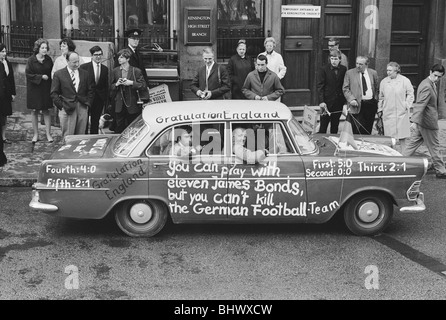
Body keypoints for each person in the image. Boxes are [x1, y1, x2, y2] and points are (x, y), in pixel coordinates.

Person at [403, 64, 446, 179]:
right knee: (434, 146)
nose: (436, 78)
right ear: (430, 71)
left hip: (423, 121)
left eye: (439, 77)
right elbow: (420, 104)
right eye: (435, 75)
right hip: (427, 122)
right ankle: (441, 171)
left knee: (412, 144)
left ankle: (399, 163)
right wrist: (414, 121)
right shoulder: (427, 85)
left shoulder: (429, 83)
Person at [51, 51, 95, 137]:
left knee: (80, 136)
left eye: (78, 61)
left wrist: (88, 104)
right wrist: (61, 106)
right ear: (67, 61)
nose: (77, 64)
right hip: (67, 108)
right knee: (68, 136)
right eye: (74, 62)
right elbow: (54, 93)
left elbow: (91, 90)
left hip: (82, 107)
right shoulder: (59, 74)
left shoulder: (85, 74)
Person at [377, 62, 414, 152]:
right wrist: (380, 109)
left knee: (402, 136)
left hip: (401, 112)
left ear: (396, 71)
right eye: (387, 70)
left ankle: (404, 155)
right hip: (388, 112)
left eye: (390, 70)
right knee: (390, 137)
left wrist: (406, 104)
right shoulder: (384, 82)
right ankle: (391, 154)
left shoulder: (405, 81)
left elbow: (410, 93)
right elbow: (381, 97)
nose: (388, 72)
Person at [111, 48, 147, 134]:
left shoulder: (136, 71)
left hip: (132, 103)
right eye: (118, 57)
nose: (119, 59)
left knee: (133, 127)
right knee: (119, 128)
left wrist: (131, 83)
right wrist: (117, 84)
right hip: (119, 104)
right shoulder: (115, 71)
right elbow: (110, 86)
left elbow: (143, 85)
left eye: (122, 57)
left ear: (127, 59)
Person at [26, 38, 54, 143]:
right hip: (34, 89)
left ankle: (48, 134)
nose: (44, 50)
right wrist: (41, 77)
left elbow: (52, 72)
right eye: (42, 48)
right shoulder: (31, 60)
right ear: (37, 48)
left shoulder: (49, 60)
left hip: (46, 88)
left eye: (46, 48)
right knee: (34, 111)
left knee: (46, 110)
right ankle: (36, 134)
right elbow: (28, 74)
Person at [343, 56, 379, 135]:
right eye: (357, 63)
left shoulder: (373, 73)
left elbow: (376, 88)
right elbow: (345, 88)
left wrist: (375, 99)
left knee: (367, 128)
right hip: (356, 104)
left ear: (366, 65)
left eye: (361, 64)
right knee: (356, 129)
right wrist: (351, 99)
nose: (358, 66)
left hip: (370, 104)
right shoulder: (350, 73)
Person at [80, 46, 109, 134]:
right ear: (91, 56)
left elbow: (105, 85)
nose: (98, 56)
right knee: (84, 120)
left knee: (95, 120)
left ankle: (93, 136)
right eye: (96, 55)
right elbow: (82, 83)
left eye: (100, 54)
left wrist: (105, 99)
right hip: (87, 98)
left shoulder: (105, 69)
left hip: (99, 98)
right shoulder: (84, 67)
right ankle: (84, 138)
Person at [317, 49, 347, 134]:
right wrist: (321, 101)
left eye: (336, 59)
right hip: (327, 103)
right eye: (332, 59)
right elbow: (320, 86)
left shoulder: (343, 69)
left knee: (335, 126)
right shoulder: (324, 69)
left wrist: (344, 102)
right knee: (323, 127)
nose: (334, 61)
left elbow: (344, 85)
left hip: (338, 102)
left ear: (340, 59)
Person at [0, 43, 16, 146]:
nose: (4, 53)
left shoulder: (7, 63)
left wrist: (13, 93)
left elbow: (11, 79)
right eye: (2, 51)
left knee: (5, 115)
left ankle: (3, 136)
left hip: (6, 94)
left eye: (5, 51)